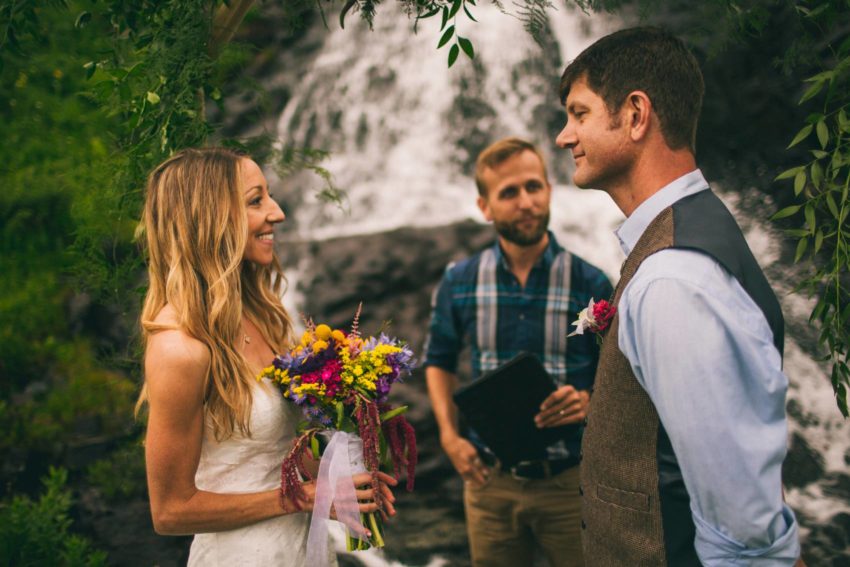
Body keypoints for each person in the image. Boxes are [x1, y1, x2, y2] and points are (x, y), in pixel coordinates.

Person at [555, 27, 804, 566]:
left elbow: (742, 525)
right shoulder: (684, 239)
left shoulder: (674, 279)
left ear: (636, 114)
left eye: (579, 114)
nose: (563, 136)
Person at [135, 147, 397, 566]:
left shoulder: (262, 315)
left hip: (300, 550)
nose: (277, 213)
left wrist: (339, 483)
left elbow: (276, 448)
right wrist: (302, 498)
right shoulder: (179, 346)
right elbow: (169, 511)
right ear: (212, 217)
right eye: (256, 201)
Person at [424, 137, 613, 567]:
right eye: (509, 192)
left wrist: (589, 404)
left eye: (534, 186)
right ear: (485, 206)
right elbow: (439, 360)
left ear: (549, 190)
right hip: (490, 485)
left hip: (572, 483)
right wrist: (450, 438)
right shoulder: (461, 281)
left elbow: (620, 376)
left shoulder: (591, 283)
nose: (525, 201)